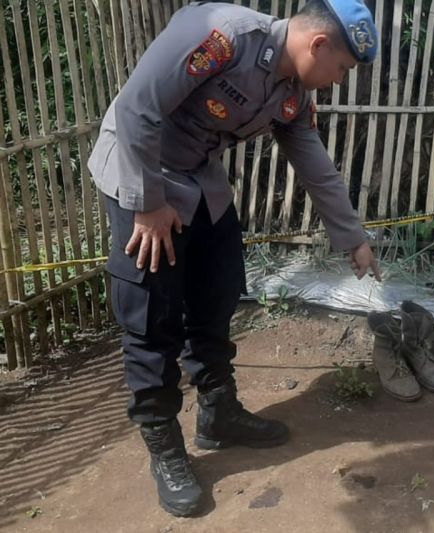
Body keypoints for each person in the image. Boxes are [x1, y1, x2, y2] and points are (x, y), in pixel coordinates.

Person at [88, 0, 381, 517]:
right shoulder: (222, 36)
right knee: (152, 315)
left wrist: (352, 237)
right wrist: (148, 204)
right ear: (318, 45)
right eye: (341, 69)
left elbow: (312, 160)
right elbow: (137, 108)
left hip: (198, 180)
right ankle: (164, 445)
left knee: (220, 289)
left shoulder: (292, 91)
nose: (337, 81)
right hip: (139, 170)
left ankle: (218, 414)